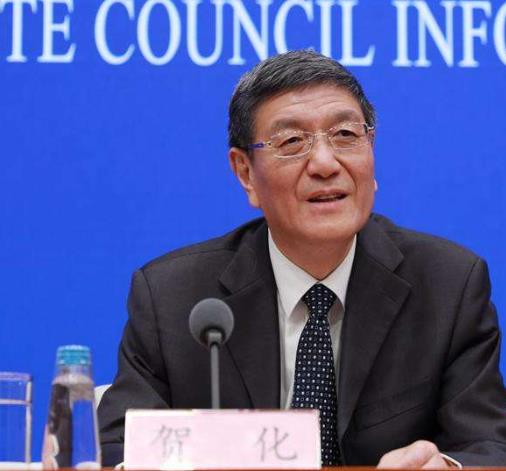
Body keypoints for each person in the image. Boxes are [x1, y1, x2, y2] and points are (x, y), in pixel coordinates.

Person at [98, 50, 506, 467]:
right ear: (245, 173)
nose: (325, 164)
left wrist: (446, 466)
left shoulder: (449, 286)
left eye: (345, 135)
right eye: (292, 142)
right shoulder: (173, 297)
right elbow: (115, 449)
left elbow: (488, 445)